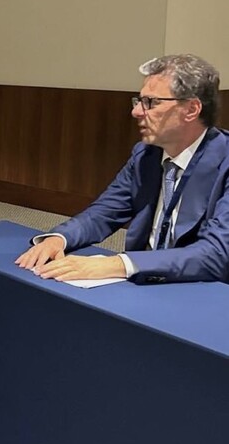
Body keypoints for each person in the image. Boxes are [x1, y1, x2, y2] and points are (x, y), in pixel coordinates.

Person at [16, 54, 229, 284]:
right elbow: (104, 212)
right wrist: (59, 238)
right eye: (138, 101)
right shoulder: (146, 155)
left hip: (203, 290)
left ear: (191, 109)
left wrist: (118, 264)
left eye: (150, 102)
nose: (136, 112)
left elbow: (215, 254)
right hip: (142, 284)